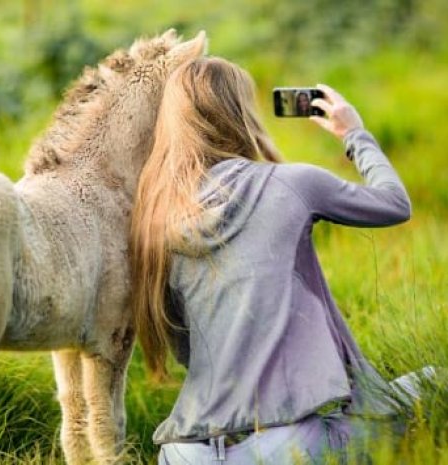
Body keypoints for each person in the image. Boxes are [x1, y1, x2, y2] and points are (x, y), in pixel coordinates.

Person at [130, 57, 416, 464]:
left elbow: (185, 349)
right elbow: (395, 204)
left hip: (183, 453)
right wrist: (355, 133)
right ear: (239, 113)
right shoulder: (292, 183)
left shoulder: (157, 220)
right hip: (285, 446)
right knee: (431, 384)